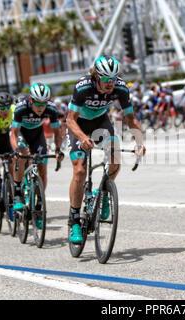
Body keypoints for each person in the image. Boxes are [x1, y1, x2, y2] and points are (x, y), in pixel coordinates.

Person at [66, 55, 146, 243]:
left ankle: (102, 192)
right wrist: (83, 137)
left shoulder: (120, 87)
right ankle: (74, 220)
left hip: (101, 122)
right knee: (79, 170)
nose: (110, 83)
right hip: (80, 124)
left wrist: (139, 142)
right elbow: (70, 120)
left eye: (113, 78)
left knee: (116, 158)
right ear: (96, 76)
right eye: (106, 79)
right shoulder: (83, 86)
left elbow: (130, 118)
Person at [10, 83, 64, 213]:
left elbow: (57, 132)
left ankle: (39, 203)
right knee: (22, 156)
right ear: (30, 100)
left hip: (37, 134)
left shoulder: (51, 109)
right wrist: (16, 150)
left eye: (44, 103)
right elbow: (13, 133)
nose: (41, 107)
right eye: (38, 104)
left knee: (42, 168)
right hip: (22, 133)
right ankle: (17, 193)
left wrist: (58, 149)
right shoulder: (21, 108)